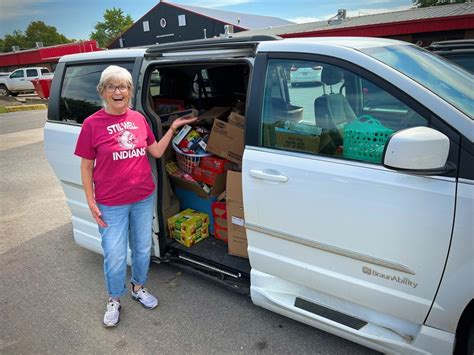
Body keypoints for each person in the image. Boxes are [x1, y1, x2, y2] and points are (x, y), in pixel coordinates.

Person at [74, 65, 196, 327]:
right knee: (115, 254)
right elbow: (86, 166)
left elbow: (156, 152)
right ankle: (114, 298)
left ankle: (138, 287)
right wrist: (91, 200)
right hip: (110, 203)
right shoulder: (92, 124)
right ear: (103, 92)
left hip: (142, 197)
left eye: (123, 87)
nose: (118, 92)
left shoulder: (139, 119)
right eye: (112, 87)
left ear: (131, 91)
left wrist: (172, 128)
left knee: (142, 248)